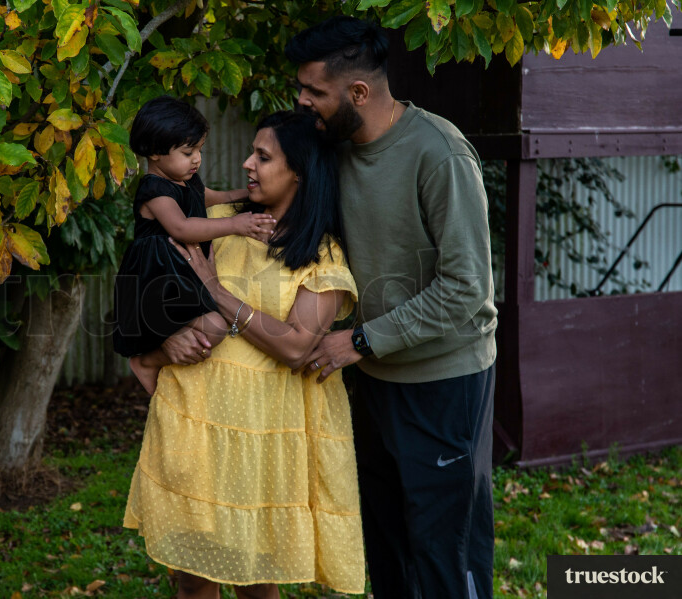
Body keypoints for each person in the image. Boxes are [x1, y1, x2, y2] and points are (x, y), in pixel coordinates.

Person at [284, 16, 499, 599]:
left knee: (444, 552)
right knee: (388, 546)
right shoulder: (334, 151)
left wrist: (357, 341)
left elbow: (466, 289)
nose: (303, 103)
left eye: (315, 93)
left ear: (358, 92)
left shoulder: (440, 153)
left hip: (442, 382)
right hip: (373, 377)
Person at [123, 111, 365, 598]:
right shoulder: (208, 224)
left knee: (257, 586)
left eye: (263, 156)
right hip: (193, 425)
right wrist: (163, 339)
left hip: (262, 440)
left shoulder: (322, 254)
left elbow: (296, 345)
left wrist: (216, 291)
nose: (246, 164)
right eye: (251, 152)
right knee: (192, 581)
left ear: (299, 170)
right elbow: (144, 278)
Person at [113, 96, 276, 394]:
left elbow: (210, 197)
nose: (197, 159)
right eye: (188, 152)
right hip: (157, 279)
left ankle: (161, 362)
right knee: (214, 326)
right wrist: (236, 225)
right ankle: (147, 361)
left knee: (214, 327)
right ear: (154, 152)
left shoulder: (185, 179)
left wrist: (249, 195)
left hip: (180, 273)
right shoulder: (154, 188)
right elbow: (182, 228)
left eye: (199, 150)